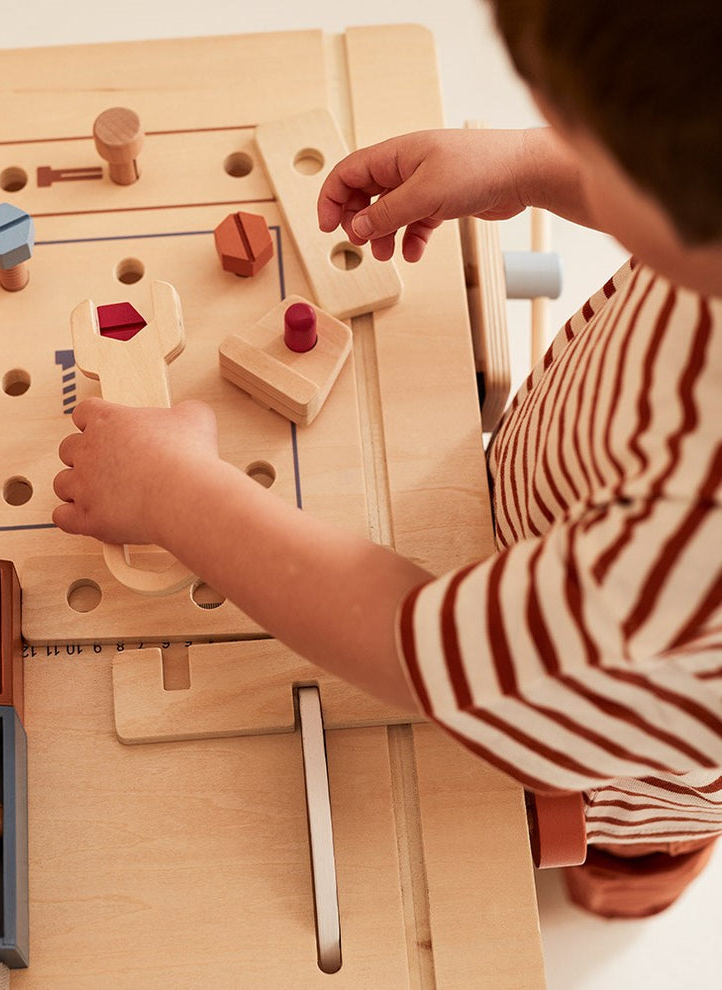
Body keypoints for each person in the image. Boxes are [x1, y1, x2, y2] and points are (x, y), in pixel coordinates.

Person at [53, 0, 722, 918]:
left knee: (611, 839)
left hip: (614, 732)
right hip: (565, 532)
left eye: (596, 154)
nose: (575, 154)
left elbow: (428, 657)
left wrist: (176, 494)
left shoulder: (691, 546)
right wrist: (535, 165)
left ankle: (641, 873)